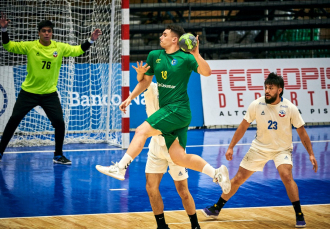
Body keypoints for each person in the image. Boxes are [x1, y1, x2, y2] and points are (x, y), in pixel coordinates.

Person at [96, 24, 231, 194]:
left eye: (164, 34)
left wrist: (196, 54)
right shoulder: (155, 55)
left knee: (141, 131)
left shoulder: (186, 58)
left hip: (178, 109)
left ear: (175, 39)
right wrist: (130, 97)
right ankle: (216, 173)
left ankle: (120, 167)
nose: (161, 37)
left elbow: (207, 72)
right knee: (178, 157)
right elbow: (145, 81)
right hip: (170, 111)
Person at [202, 73, 318, 228]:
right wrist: (231, 147)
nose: (267, 91)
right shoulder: (256, 104)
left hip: (281, 150)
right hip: (259, 148)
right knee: (238, 179)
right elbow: (243, 127)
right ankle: (217, 208)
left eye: (271, 88)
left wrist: (311, 153)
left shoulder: (290, 108)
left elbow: (302, 132)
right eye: (266, 88)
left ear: (279, 90)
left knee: (286, 176)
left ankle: (299, 214)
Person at [0, 13, 102, 164]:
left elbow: (77, 50)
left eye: (49, 31)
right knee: (14, 120)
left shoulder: (59, 48)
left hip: (49, 94)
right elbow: (8, 46)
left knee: (59, 123)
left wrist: (91, 40)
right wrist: (4, 30)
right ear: (39, 33)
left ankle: (58, 155)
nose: (47, 33)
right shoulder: (30, 46)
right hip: (28, 93)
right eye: (44, 31)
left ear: (52, 32)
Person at [144, 82, 200, 229]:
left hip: (174, 145)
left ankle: (195, 225)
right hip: (156, 145)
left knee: (183, 191)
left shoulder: (177, 95)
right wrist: (130, 96)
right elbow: (144, 82)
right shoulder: (152, 88)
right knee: (151, 187)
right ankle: (161, 226)